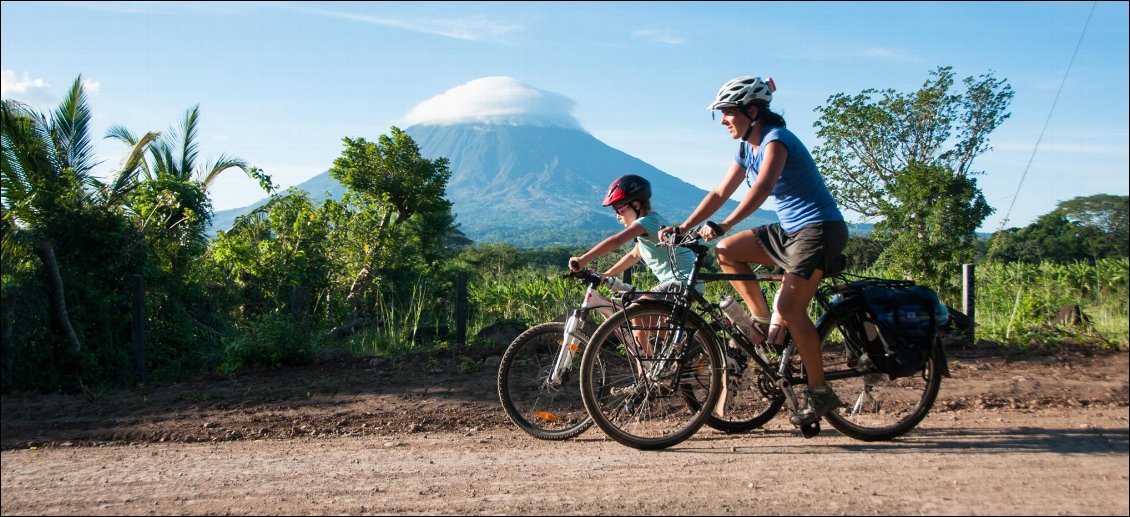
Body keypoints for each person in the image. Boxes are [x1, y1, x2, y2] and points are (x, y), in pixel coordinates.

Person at [659, 76, 849, 427]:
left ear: (752, 111)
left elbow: (761, 189)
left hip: (819, 229)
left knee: (791, 307)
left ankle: (821, 394)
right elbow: (719, 192)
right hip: (790, 231)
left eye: (728, 113)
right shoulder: (747, 147)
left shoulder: (777, 141)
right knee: (727, 251)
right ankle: (761, 322)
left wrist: (723, 224)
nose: (723, 121)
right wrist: (683, 227)